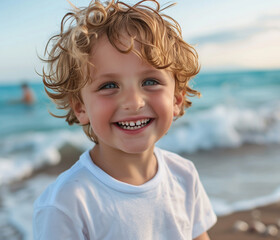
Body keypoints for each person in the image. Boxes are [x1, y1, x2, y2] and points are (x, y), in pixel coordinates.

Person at [33, 1, 217, 239]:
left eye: (150, 81)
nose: (134, 102)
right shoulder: (66, 205)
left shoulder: (184, 175)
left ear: (177, 99)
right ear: (80, 107)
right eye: (109, 85)